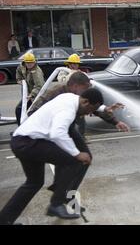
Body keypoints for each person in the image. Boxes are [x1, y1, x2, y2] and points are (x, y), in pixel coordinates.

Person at [0, 88, 104, 225]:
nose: (90, 113)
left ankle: (4, 220)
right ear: (85, 102)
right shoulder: (68, 111)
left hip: (20, 141)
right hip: (30, 143)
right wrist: (77, 153)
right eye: (91, 109)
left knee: (34, 183)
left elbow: (89, 105)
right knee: (72, 161)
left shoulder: (70, 98)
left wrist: (104, 108)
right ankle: (56, 203)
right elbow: (57, 133)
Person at [28, 71, 130, 134]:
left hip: (71, 134)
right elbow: (33, 111)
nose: (87, 91)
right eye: (85, 88)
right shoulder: (55, 92)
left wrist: (116, 122)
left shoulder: (80, 98)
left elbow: (94, 108)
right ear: (76, 86)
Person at [15, 53, 45, 125]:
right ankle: (21, 129)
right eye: (27, 62)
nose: (29, 64)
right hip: (28, 95)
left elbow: (39, 86)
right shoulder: (22, 66)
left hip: (37, 96)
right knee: (19, 110)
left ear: (34, 61)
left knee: (34, 113)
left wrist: (32, 94)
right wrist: (19, 79)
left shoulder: (37, 72)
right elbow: (18, 71)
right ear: (24, 62)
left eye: (31, 62)